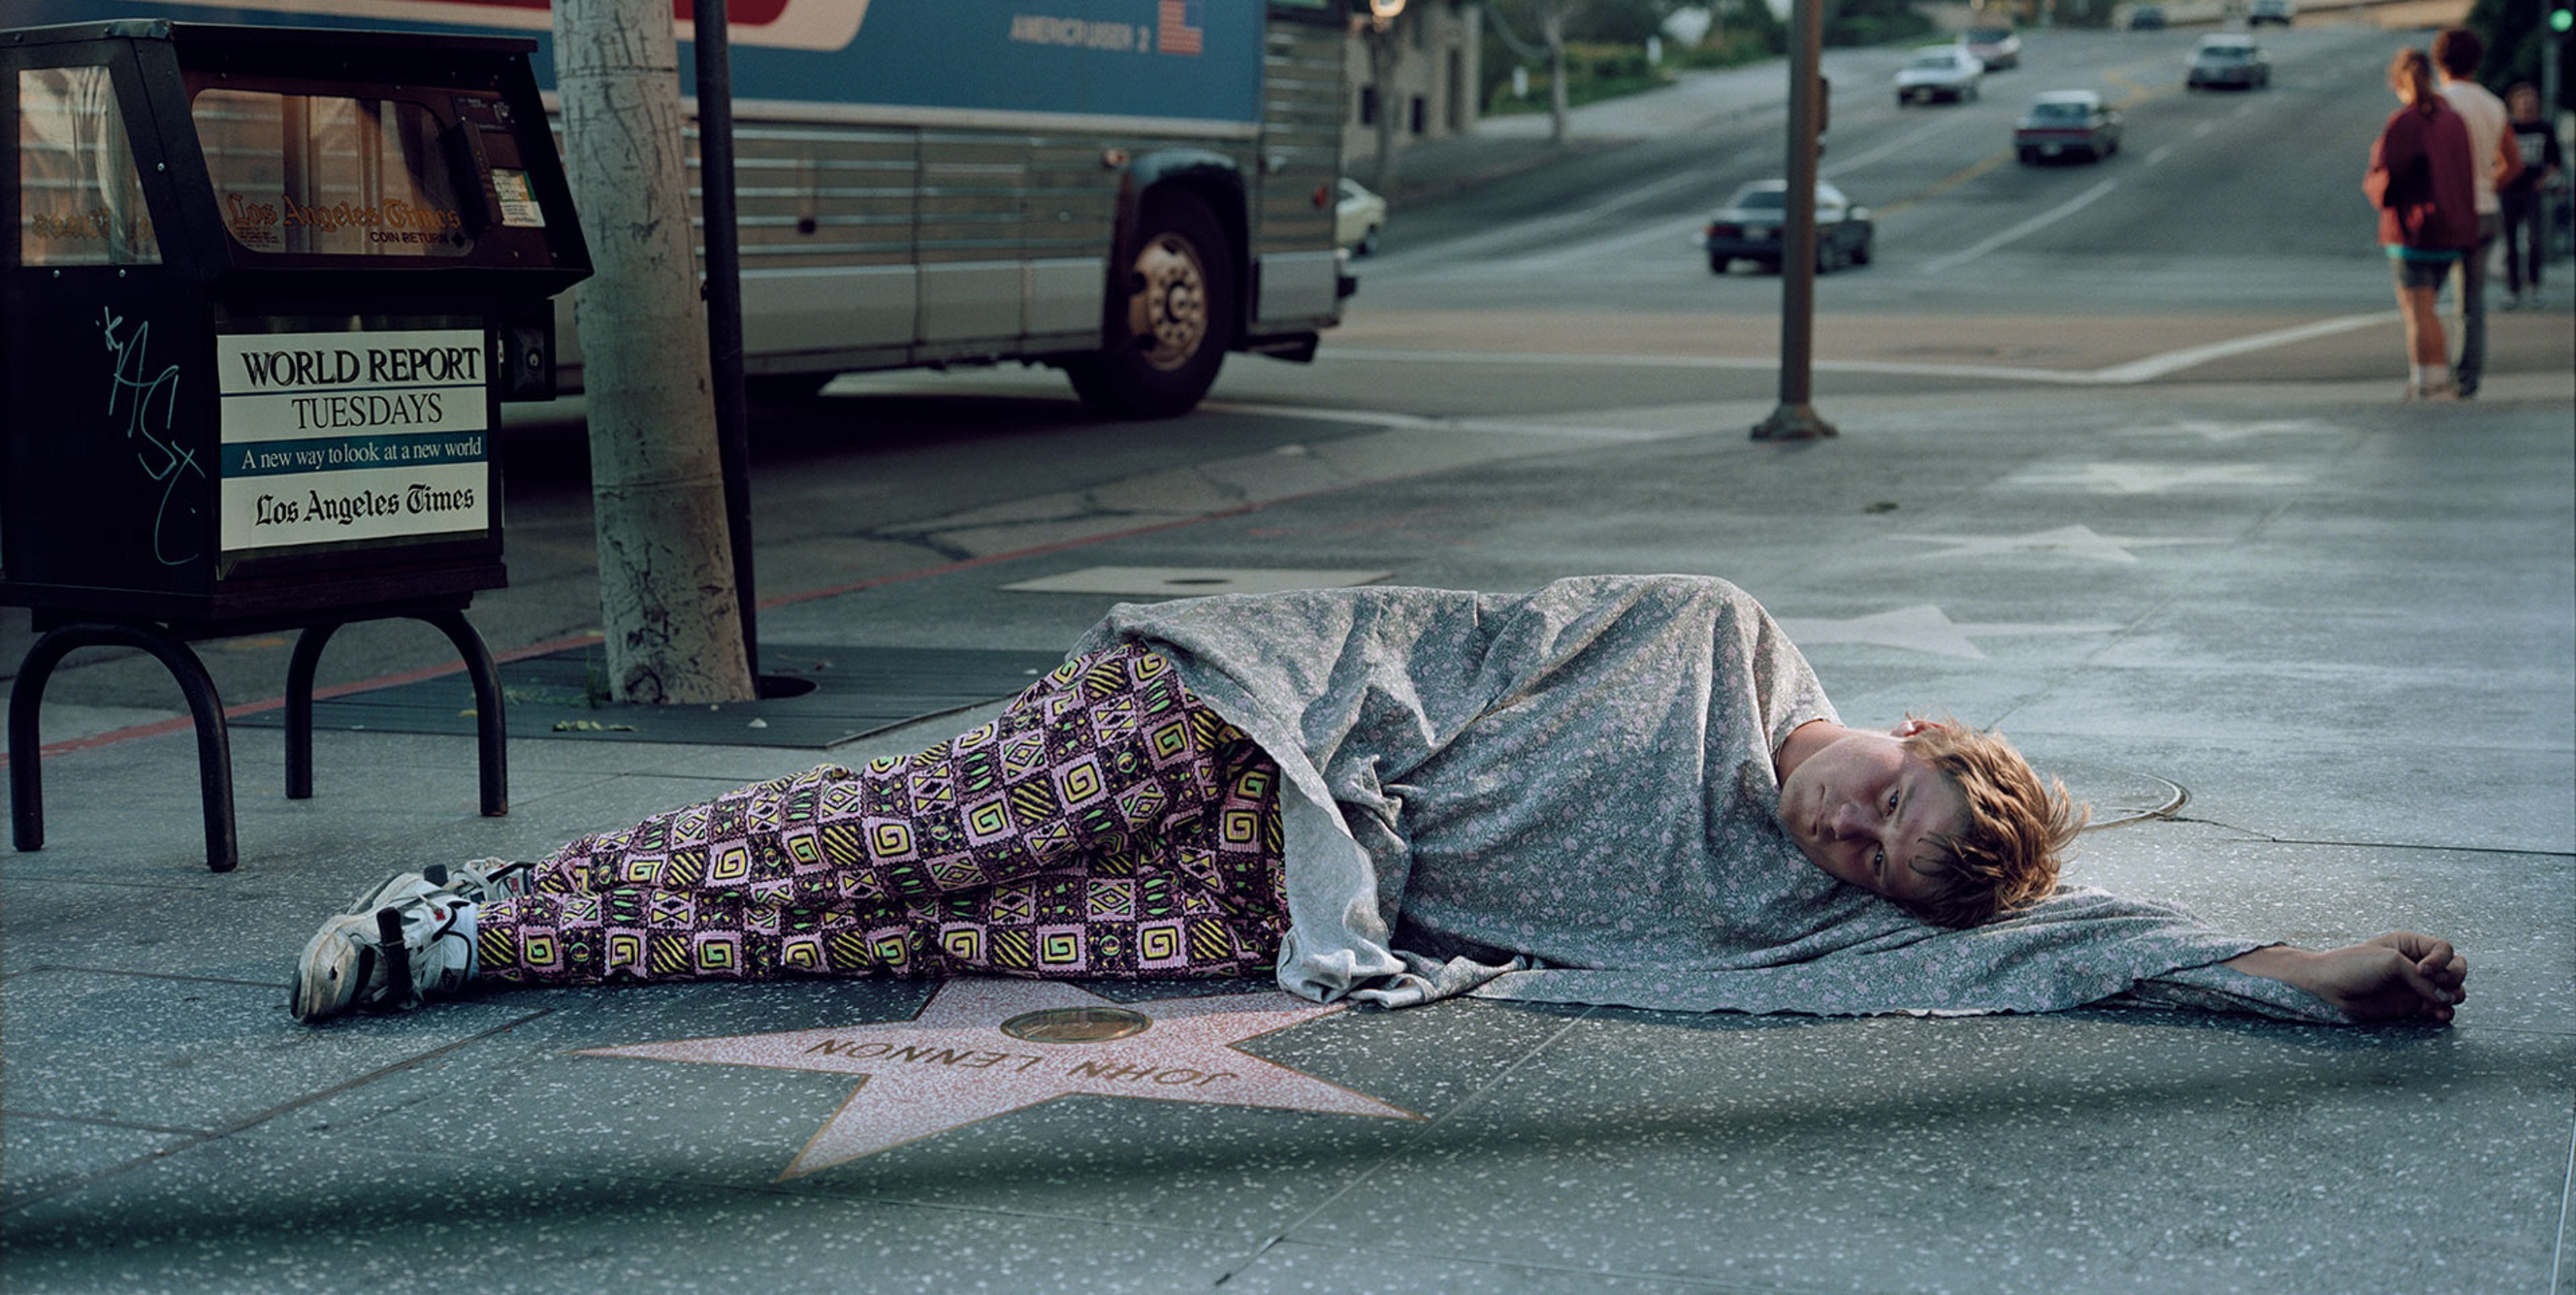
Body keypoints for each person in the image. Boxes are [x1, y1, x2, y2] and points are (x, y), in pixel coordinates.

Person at [290, 578, 2467, 1029]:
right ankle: (460, 904)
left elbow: (2078, 949)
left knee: (888, 931)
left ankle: (503, 930)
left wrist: (2310, 972)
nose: (1830, 837)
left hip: (1281, 917)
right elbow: (1405, 639)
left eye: (1859, 866)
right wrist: (1308, 784)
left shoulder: (1806, 902)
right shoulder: (1710, 631)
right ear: (1905, 722)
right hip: (1236, 732)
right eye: (1873, 798)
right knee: (887, 836)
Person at [2366, 46, 2481, 399]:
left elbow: (2390, 177)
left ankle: (2424, 381)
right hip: (2451, 230)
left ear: (2400, 82)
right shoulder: (2452, 120)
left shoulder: (2404, 122)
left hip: (2411, 230)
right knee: (2429, 310)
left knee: (2418, 312)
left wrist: (2374, 183)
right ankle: (2438, 378)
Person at [2431, 28, 2520, 395]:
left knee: (2424, 298)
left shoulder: (2436, 103)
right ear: (2477, 62)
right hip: (2485, 211)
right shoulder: (2494, 104)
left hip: (2446, 213)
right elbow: (2512, 163)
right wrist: (2487, 185)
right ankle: (2467, 379)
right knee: (2472, 303)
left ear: (2439, 62)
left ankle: (2428, 374)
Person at [2503, 81, 2561, 308]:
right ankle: (2512, 289)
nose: (2527, 104)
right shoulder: (2508, 129)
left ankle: (2534, 286)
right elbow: (2496, 158)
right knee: (2511, 243)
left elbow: (2555, 162)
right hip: (2509, 190)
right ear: (2514, 104)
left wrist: (2544, 181)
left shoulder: (2544, 129)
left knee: (2535, 240)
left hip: (2532, 192)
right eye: (2522, 100)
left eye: (2531, 99)